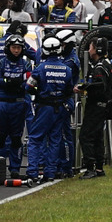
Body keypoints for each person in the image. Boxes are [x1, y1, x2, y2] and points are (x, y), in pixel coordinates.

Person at [28, 36, 78, 182]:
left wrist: (38, 93)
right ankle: (50, 173)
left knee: (35, 139)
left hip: (44, 107)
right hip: (60, 108)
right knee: (55, 140)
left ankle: (33, 172)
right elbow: (69, 90)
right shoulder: (67, 69)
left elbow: (28, 87)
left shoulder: (40, 69)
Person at [0, 33, 34, 179]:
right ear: (8, 48)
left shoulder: (26, 63)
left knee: (16, 138)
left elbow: (28, 82)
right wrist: (16, 81)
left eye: (19, 48)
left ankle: (15, 168)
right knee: (0, 137)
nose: (16, 51)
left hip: (18, 104)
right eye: (14, 47)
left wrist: (9, 81)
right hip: (2, 103)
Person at [76, 38, 112, 178]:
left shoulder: (100, 66)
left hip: (96, 106)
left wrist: (83, 88)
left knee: (85, 136)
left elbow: (100, 86)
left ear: (97, 49)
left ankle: (90, 168)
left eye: (91, 47)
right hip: (103, 106)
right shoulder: (107, 63)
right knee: (98, 136)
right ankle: (99, 168)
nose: (89, 50)